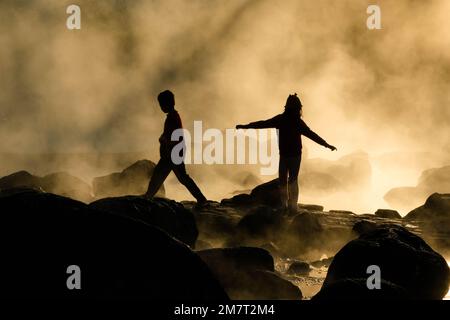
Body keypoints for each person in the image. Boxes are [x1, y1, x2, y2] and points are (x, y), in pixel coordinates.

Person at [236, 93, 337, 214]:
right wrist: (326, 145)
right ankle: (291, 206)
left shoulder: (282, 119)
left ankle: (286, 206)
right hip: (291, 155)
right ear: (298, 108)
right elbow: (312, 135)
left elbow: (263, 123)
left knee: (284, 180)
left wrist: (246, 126)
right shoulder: (296, 122)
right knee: (291, 180)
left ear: (286, 107)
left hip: (287, 155)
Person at [145, 90, 207, 205]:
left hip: (172, 154)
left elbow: (176, 136)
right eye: (161, 104)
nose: (161, 107)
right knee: (163, 176)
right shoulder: (172, 117)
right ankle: (148, 196)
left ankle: (202, 200)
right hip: (171, 153)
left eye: (162, 104)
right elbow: (170, 134)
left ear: (169, 103)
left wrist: (164, 140)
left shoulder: (173, 118)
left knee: (176, 177)